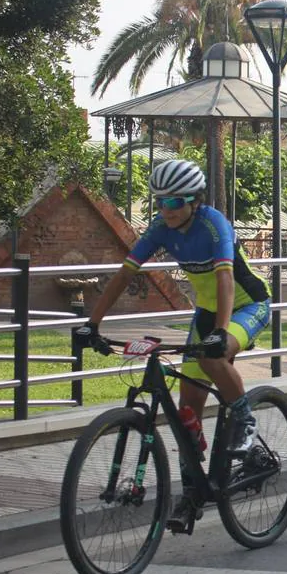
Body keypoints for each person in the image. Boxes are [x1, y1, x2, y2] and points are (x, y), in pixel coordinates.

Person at [75, 159, 272, 531]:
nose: (166, 210)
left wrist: (219, 333)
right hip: (207, 314)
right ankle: (192, 495)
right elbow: (123, 274)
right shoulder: (161, 230)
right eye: (160, 202)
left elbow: (226, 279)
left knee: (216, 359)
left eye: (173, 203)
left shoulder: (213, 223)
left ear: (194, 200)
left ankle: (245, 419)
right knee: (187, 414)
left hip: (248, 305)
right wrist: (92, 323)